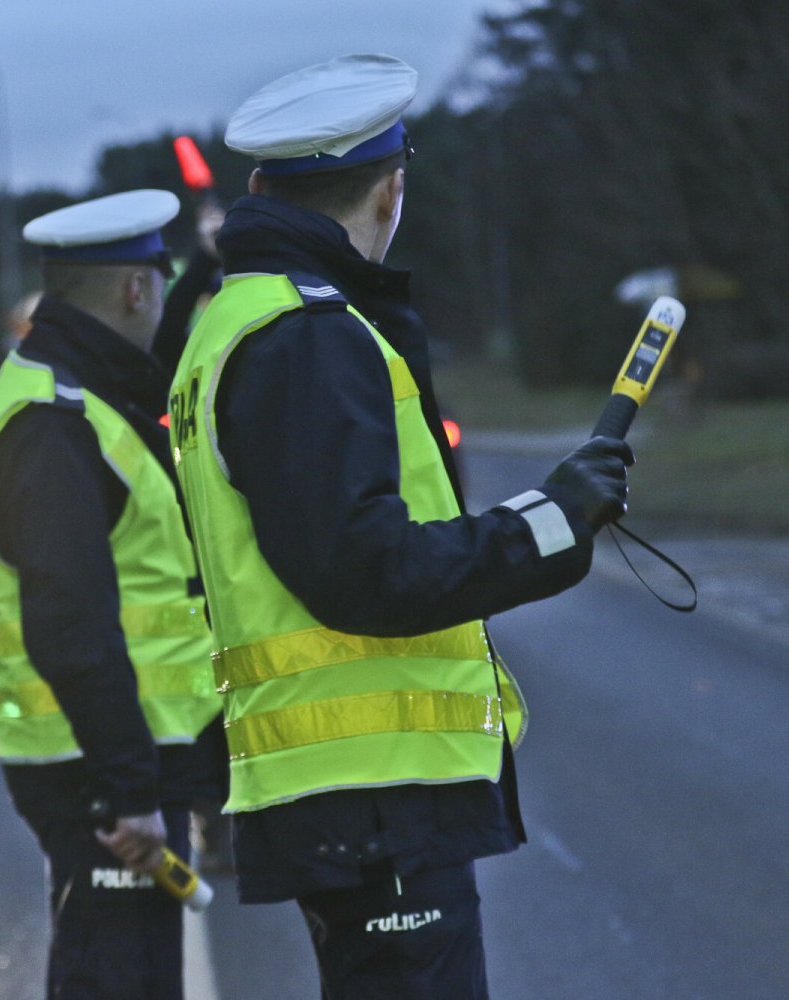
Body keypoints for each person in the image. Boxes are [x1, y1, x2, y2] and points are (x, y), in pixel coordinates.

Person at [168, 55, 634, 999]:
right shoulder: (305, 333)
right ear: (391, 190)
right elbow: (365, 570)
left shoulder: (236, 322)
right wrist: (551, 522)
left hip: (349, 789)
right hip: (369, 790)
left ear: (262, 188)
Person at [0, 189, 225, 1000]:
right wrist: (126, 790)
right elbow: (68, 622)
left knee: (133, 975)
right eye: (160, 279)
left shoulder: (81, 390)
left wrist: (208, 263)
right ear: (134, 290)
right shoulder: (52, 423)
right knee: (115, 980)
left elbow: (158, 358)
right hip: (99, 775)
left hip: (118, 760)